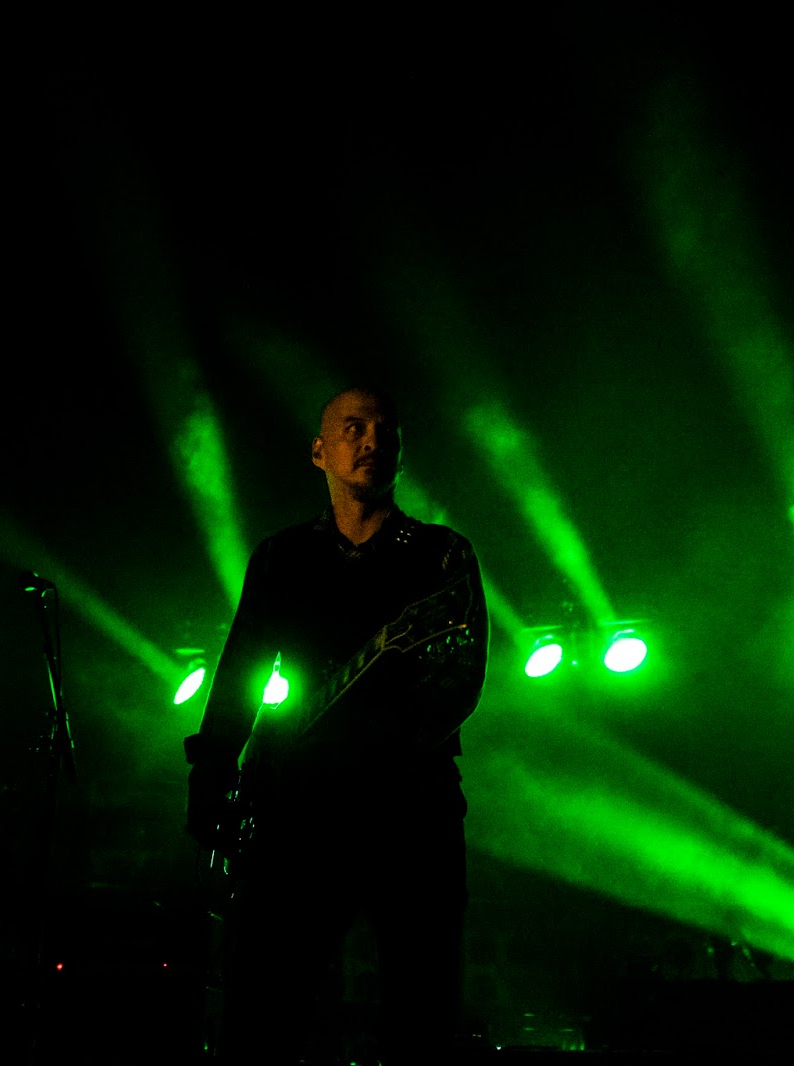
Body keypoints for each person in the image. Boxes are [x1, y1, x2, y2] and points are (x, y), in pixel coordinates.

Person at [184, 386, 488, 1063]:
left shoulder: (441, 555)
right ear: (320, 451)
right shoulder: (281, 557)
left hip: (410, 812)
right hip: (296, 810)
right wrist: (213, 767)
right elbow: (240, 671)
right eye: (354, 428)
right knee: (260, 1010)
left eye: (386, 430)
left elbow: (461, 680)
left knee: (421, 1014)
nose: (373, 440)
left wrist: (382, 742)